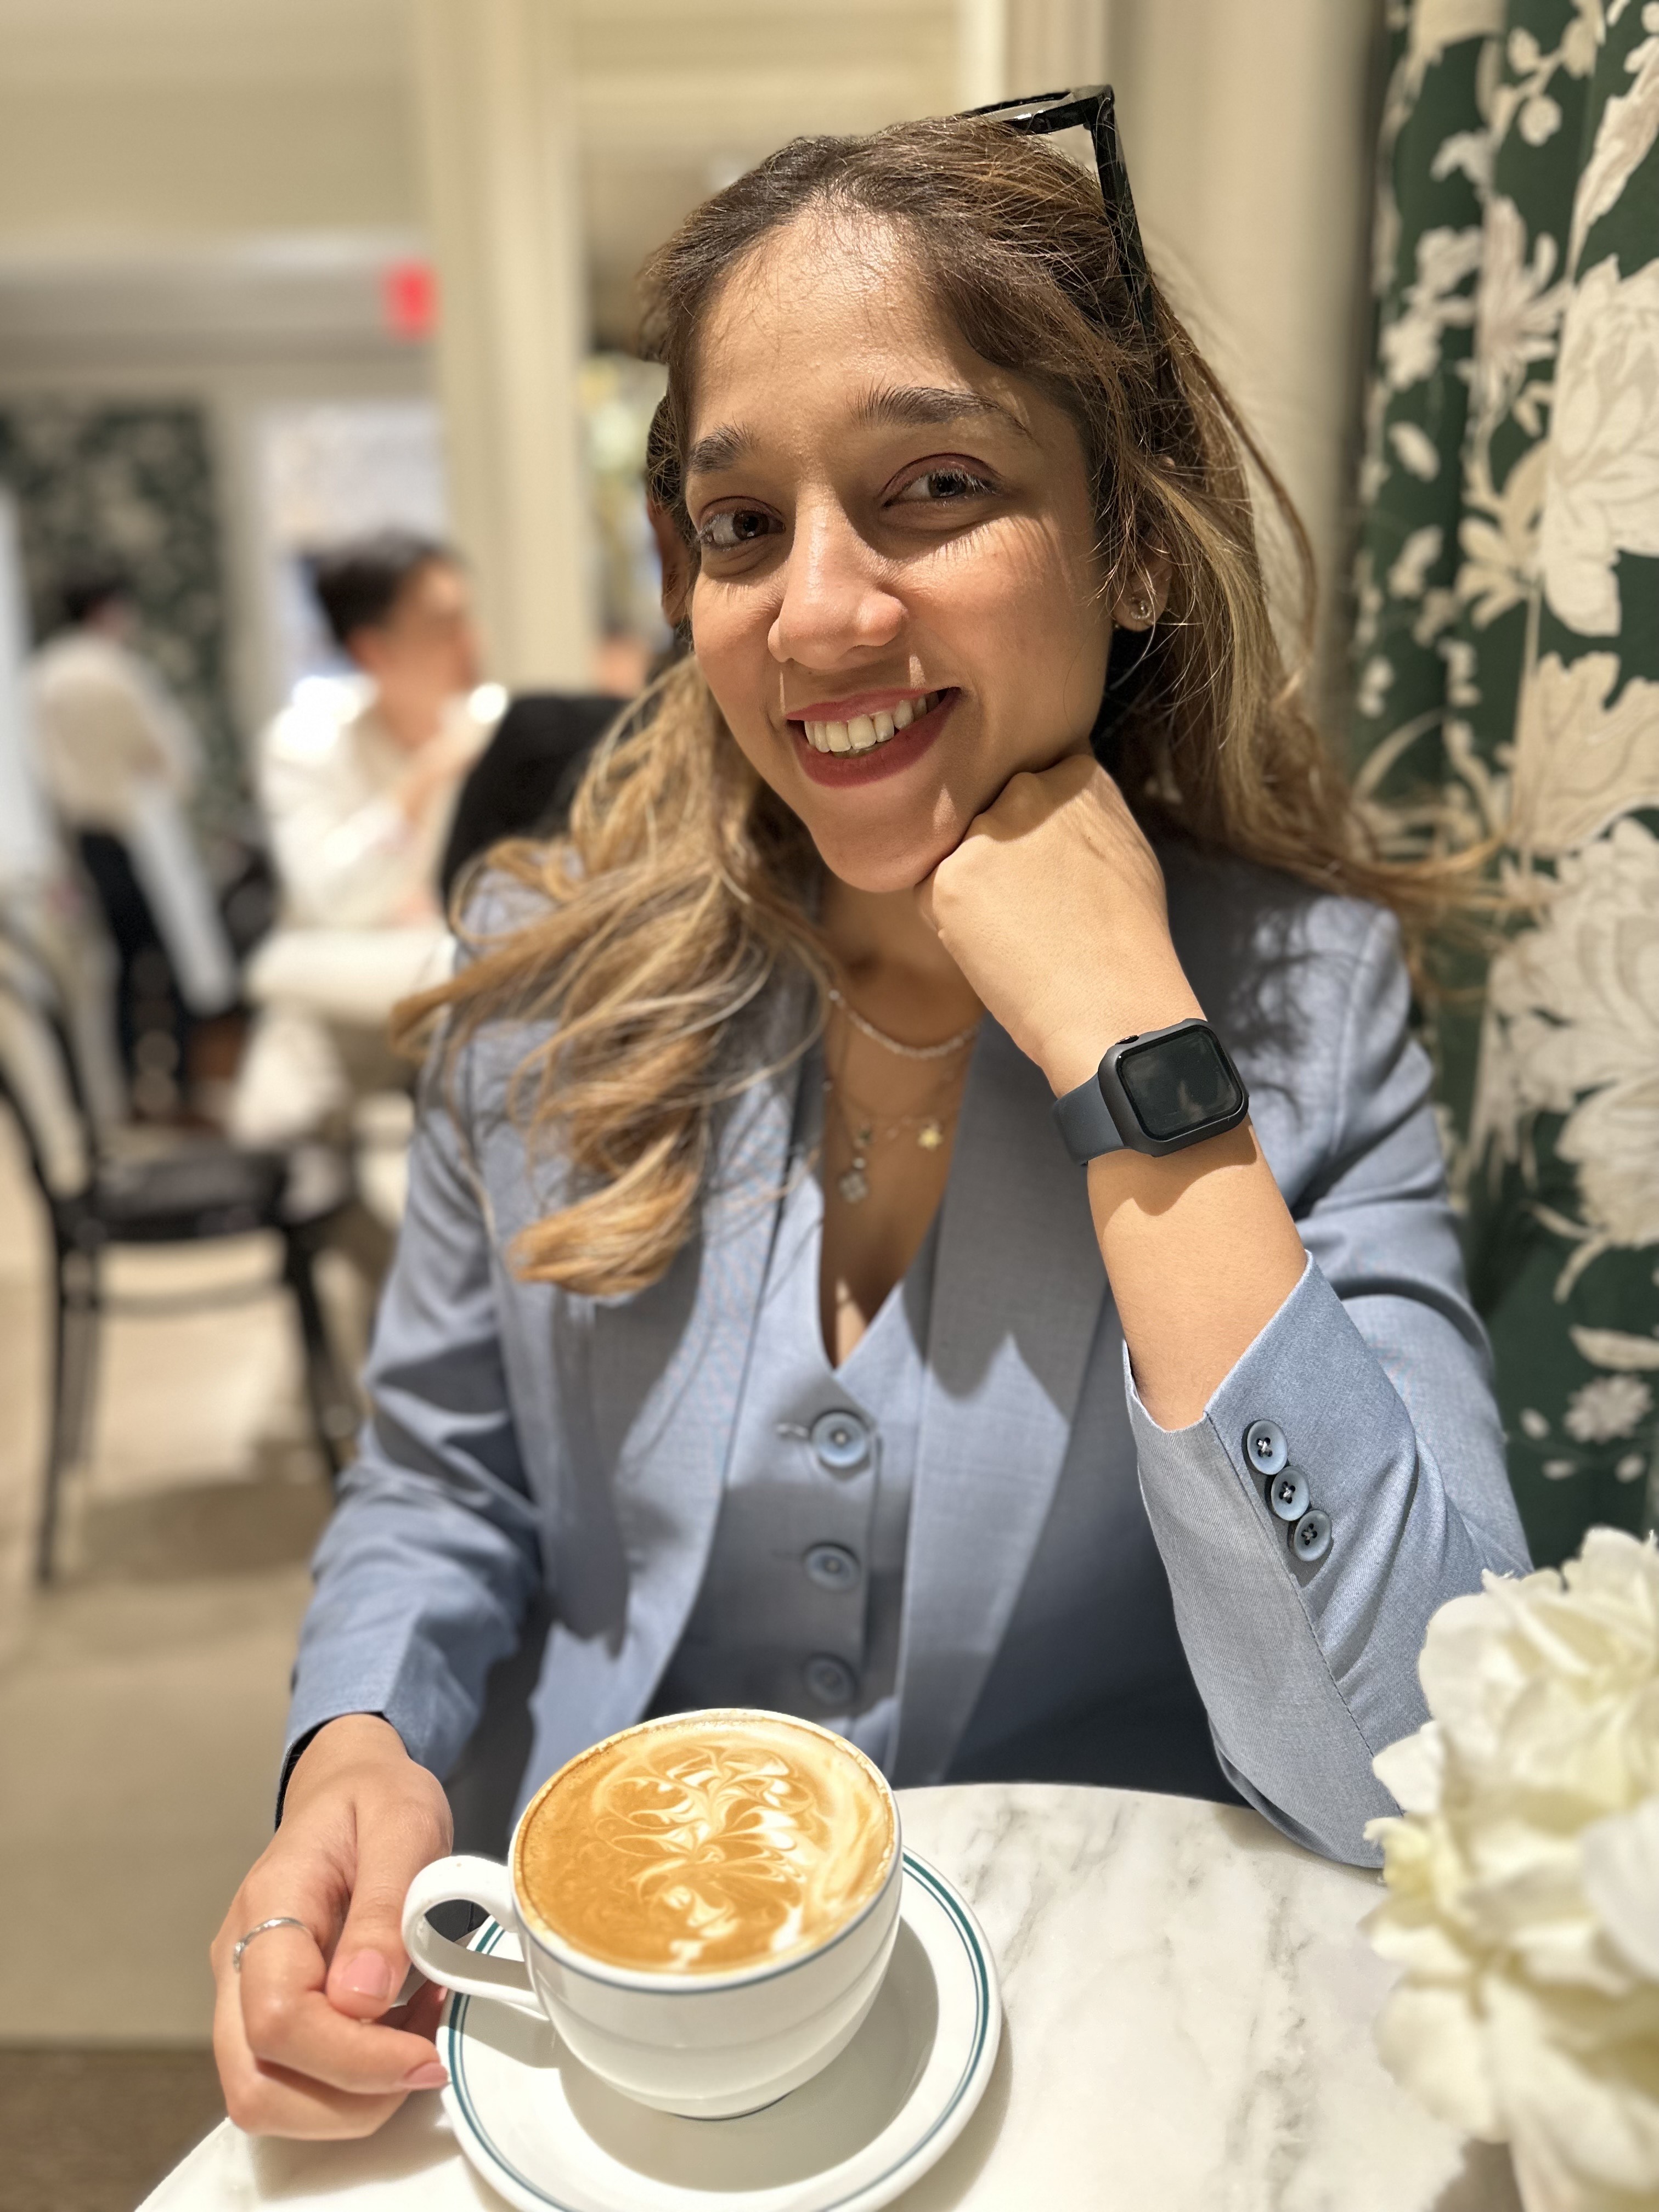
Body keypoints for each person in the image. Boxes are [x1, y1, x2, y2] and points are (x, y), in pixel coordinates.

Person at [211, 101, 1530, 2140]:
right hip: (618, 2050)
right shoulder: (539, 985)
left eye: (934, 488)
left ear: (1129, 537)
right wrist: (358, 1745)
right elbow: (446, 1482)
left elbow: (1408, 1770)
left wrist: (1132, 1046)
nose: (816, 612)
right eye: (742, 524)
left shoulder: (1298, 1002)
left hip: (1090, 2041)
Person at [233, 532, 496, 1146]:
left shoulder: (492, 723)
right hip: (338, 1026)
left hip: (462, 1014)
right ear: (373, 649)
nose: (471, 642)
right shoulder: (308, 743)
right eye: (444, 625)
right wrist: (426, 776)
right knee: (292, 1142)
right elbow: (334, 901)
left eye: (468, 616)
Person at [28, 566, 234, 1116]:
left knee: (119, 965)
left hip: (84, 842)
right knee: (170, 963)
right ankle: (181, 1085)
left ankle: (125, 1088)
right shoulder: (119, 672)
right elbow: (174, 760)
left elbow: (40, 774)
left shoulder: (42, 676)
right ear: (109, 609)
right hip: (139, 836)